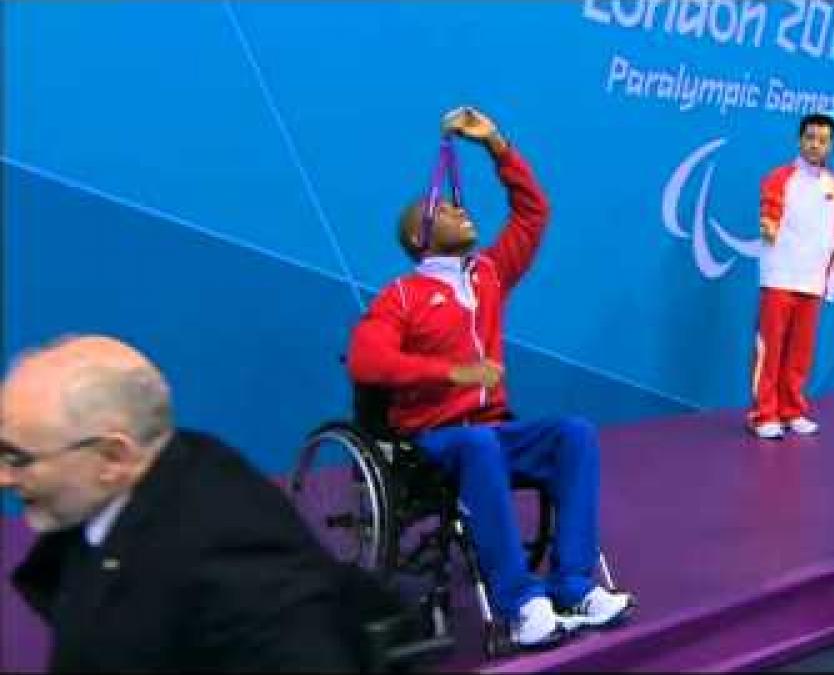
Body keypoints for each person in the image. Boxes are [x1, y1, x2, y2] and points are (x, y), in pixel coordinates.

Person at [346, 107, 633, 650]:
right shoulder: (400, 296)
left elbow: (533, 212)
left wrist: (496, 144)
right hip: (435, 440)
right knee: (478, 444)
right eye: (450, 209)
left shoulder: (489, 276)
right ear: (419, 234)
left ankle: (572, 584)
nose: (463, 210)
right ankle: (521, 605)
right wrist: (450, 372)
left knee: (574, 433)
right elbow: (366, 362)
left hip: (493, 429)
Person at [0, 335, 392, 673]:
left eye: (19, 459)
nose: (3, 477)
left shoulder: (232, 554)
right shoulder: (118, 489)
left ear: (112, 458)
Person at [748, 112, 834, 440]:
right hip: (779, 276)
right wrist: (769, 224)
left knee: (800, 354)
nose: (815, 144)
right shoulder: (779, 177)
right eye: (809, 138)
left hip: (812, 281)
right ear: (799, 140)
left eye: (822, 140)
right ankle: (763, 414)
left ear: (831, 145)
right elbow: (770, 209)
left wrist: (831, 282)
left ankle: (792, 410)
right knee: (771, 350)